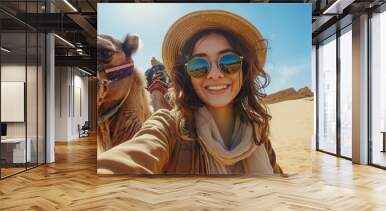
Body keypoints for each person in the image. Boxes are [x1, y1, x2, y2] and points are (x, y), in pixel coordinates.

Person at [97, 10, 284, 176]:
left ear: (244, 68)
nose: (215, 74)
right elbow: (133, 157)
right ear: (187, 76)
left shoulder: (258, 137)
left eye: (229, 62)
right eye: (199, 65)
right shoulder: (168, 128)